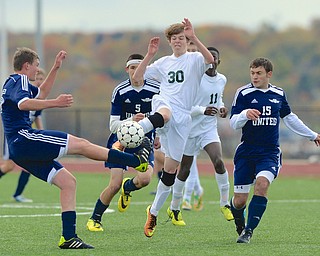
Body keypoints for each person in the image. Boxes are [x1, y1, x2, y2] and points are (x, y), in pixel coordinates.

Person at [1, 47, 152, 249]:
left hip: (19, 147)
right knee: (81, 145)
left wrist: (55, 68)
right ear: (26, 65)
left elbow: (41, 93)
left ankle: (69, 237)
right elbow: (24, 104)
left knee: (68, 182)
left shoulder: (14, 83)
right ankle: (136, 162)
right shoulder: (18, 80)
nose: (37, 71)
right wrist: (56, 103)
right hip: (24, 138)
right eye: (36, 67)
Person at [132, 18, 214, 238]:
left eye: (181, 38)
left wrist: (194, 36)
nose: (178, 42)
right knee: (164, 114)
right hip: (165, 104)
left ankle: (154, 212)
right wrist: (149, 54)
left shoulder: (195, 59)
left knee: (170, 171)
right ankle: (135, 134)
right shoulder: (163, 63)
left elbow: (211, 60)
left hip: (184, 118)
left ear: (186, 40)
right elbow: (138, 78)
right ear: (169, 42)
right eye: (174, 39)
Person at [229, 57, 320, 243]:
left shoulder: (278, 93)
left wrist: (312, 135)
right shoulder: (243, 93)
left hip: (269, 153)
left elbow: (290, 118)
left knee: (262, 185)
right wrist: (245, 115)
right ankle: (239, 219)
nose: (255, 77)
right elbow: (232, 122)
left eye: (259, 73)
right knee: (239, 201)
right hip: (246, 152)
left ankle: (248, 231)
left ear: (269, 74)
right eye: (252, 73)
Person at [86, 53, 160, 232]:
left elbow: (162, 116)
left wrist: (158, 135)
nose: (136, 72)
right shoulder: (120, 91)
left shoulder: (156, 89)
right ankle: (94, 219)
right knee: (114, 184)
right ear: (127, 69)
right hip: (120, 141)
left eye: (139, 67)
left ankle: (128, 188)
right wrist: (132, 120)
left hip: (144, 141)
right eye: (132, 68)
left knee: (145, 179)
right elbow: (113, 125)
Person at [170, 47, 233, 224]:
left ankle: (225, 203)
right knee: (184, 170)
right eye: (208, 58)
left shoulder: (222, 79)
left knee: (219, 161)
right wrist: (202, 110)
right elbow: (183, 108)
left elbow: (218, 98)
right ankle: (174, 208)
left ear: (218, 61)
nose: (211, 61)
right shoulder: (194, 79)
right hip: (189, 130)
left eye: (214, 58)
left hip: (208, 129)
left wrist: (221, 108)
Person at [0, 68, 46, 203]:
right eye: (37, 79)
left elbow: (37, 117)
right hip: (14, 135)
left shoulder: (38, 98)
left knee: (29, 165)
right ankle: (17, 194)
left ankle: (17, 194)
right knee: (8, 167)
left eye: (41, 80)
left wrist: (41, 132)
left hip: (26, 134)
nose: (38, 82)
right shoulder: (21, 92)